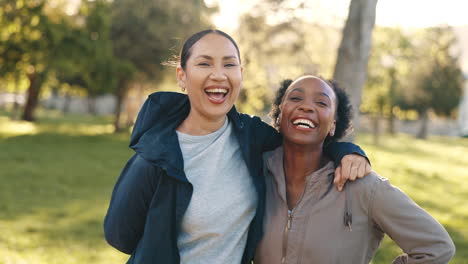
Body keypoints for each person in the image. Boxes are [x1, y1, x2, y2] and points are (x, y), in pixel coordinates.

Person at [103, 30, 371, 264]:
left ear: (240, 75)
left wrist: (347, 151)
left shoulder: (253, 137)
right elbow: (120, 236)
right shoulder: (155, 154)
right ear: (182, 76)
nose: (218, 75)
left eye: (229, 65)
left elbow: (303, 142)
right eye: (204, 63)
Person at [254, 76, 455, 264]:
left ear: (333, 125)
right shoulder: (254, 173)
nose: (306, 106)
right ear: (279, 115)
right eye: (296, 98)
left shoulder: (364, 187)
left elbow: (437, 247)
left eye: (321, 103)